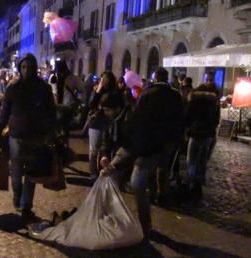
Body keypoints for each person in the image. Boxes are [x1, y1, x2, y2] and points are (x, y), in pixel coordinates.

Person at [101, 67, 184, 236]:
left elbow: (132, 140)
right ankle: (154, 199)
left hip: (147, 146)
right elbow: (181, 119)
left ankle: (146, 222)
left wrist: (117, 160)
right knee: (156, 172)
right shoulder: (175, 96)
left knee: (138, 182)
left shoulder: (143, 101)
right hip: (160, 144)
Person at [0, 53, 56, 224]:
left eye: (29, 67)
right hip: (16, 136)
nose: (26, 70)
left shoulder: (43, 88)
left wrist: (51, 133)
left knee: (31, 174)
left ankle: (26, 205)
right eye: (23, 67)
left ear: (35, 68)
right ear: (20, 68)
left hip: (36, 137)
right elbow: (5, 112)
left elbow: (51, 113)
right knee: (16, 172)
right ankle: (17, 196)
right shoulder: (13, 88)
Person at [185, 84, 220, 201]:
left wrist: (187, 129)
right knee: (202, 161)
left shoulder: (193, 100)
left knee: (191, 161)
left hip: (195, 134)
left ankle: (190, 184)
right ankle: (198, 184)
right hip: (208, 134)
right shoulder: (214, 102)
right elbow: (216, 119)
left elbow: (188, 116)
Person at [87, 71, 118, 179]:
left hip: (109, 124)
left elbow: (116, 108)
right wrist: (98, 91)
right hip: (96, 124)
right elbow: (91, 105)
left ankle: (103, 172)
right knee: (93, 151)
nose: (102, 80)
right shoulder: (99, 91)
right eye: (101, 79)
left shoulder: (116, 92)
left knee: (105, 151)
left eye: (104, 78)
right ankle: (93, 174)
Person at [54, 60, 84, 144]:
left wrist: (78, 99)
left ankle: (64, 142)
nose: (59, 72)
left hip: (68, 106)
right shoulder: (55, 78)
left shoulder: (72, 78)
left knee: (61, 122)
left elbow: (82, 89)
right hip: (57, 106)